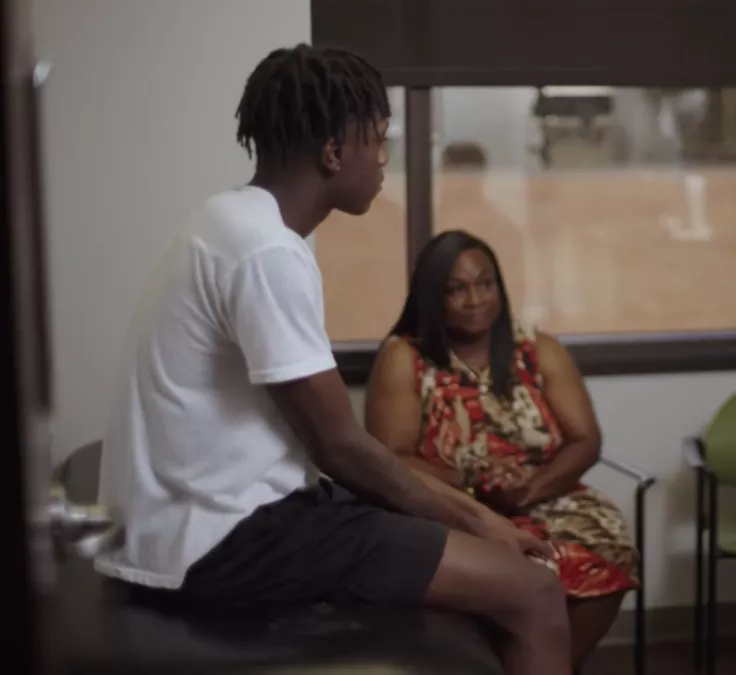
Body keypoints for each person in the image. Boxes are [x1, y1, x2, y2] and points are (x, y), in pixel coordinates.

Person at [93, 44, 571, 675]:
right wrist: (487, 523)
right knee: (534, 591)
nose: (382, 160)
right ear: (333, 152)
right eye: (377, 141)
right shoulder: (265, 251)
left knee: (480, 569)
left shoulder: (230, 219)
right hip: (221, 538)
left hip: (217, 518)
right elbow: (338, 445)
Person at [363, 229, 639, 668]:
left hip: (543, 492)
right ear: (433, 296)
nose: (475, 299)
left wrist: (529, 490)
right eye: (457, 289)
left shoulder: (536, 347)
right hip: (451, 503)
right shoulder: (405, 357)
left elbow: (586, 440)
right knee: (524, 568)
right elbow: (391, 458)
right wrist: (475, 480)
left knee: (607, 541)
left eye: (485, 284)